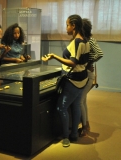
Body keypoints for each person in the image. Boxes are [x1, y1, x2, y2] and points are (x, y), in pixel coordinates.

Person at [42, 14, 90, 147]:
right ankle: (74, 134)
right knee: (75, 105)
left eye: (67, 25)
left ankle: (65, 136)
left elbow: (73, 63)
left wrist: (54, 56)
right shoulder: (85, 41)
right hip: (83, 79)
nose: (66, 28)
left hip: (73, 80)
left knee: (61, 107)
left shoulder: (76, 42)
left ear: (73, 26)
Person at [79, 18, 103, 136]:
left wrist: (89, 63)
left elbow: (100, 53)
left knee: (80, 101)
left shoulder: (90, 41)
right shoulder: (83, 41)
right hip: (83, 73)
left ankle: (85, 125)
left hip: (88, 73)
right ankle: (86, 124)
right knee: (83, 100)